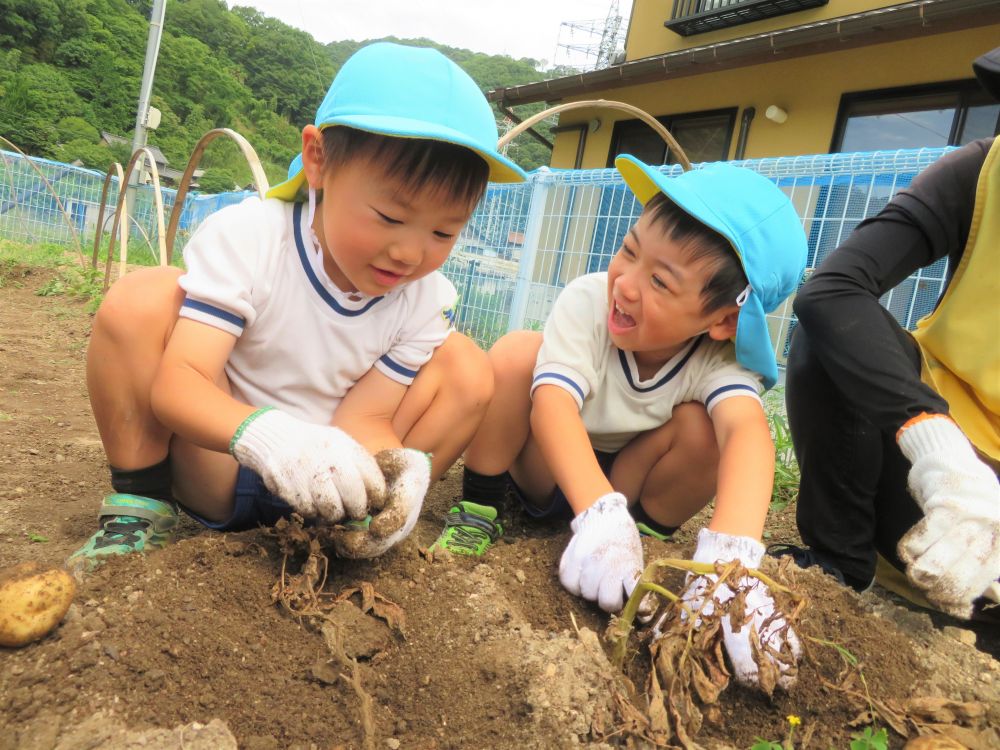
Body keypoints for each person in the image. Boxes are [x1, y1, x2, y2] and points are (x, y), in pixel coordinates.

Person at [68, 42, 526, 569]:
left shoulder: (426, 299)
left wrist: (396, 464)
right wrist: (269, 438)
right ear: (319, 160)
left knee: (466, 365)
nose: (409, 252)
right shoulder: (253, 238)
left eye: (444, 231)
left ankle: (362, 528)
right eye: (389, 218)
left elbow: (368, 416)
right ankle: (141, 507)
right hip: (220, 464)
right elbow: (180, 382)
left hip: (328, 495)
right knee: (141, 300)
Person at [431, 154, 808, 689]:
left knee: (708, 429)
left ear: (723, 320)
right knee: (517, 355)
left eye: (660, 281)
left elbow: (747, 431)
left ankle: (645, 547)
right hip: (552, 464)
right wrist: (597, 513)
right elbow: (554, 406)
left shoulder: (717, 358)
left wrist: (736, 560)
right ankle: (479, 508)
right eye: (628, 251)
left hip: (626, 485)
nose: (626, 284)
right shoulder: (588, 301)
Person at [775, 46, 1000, 622]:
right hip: (935, 470)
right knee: (829, 338)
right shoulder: (983, 171)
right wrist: (941, 452)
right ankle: (840, 567)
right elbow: (832, 290)